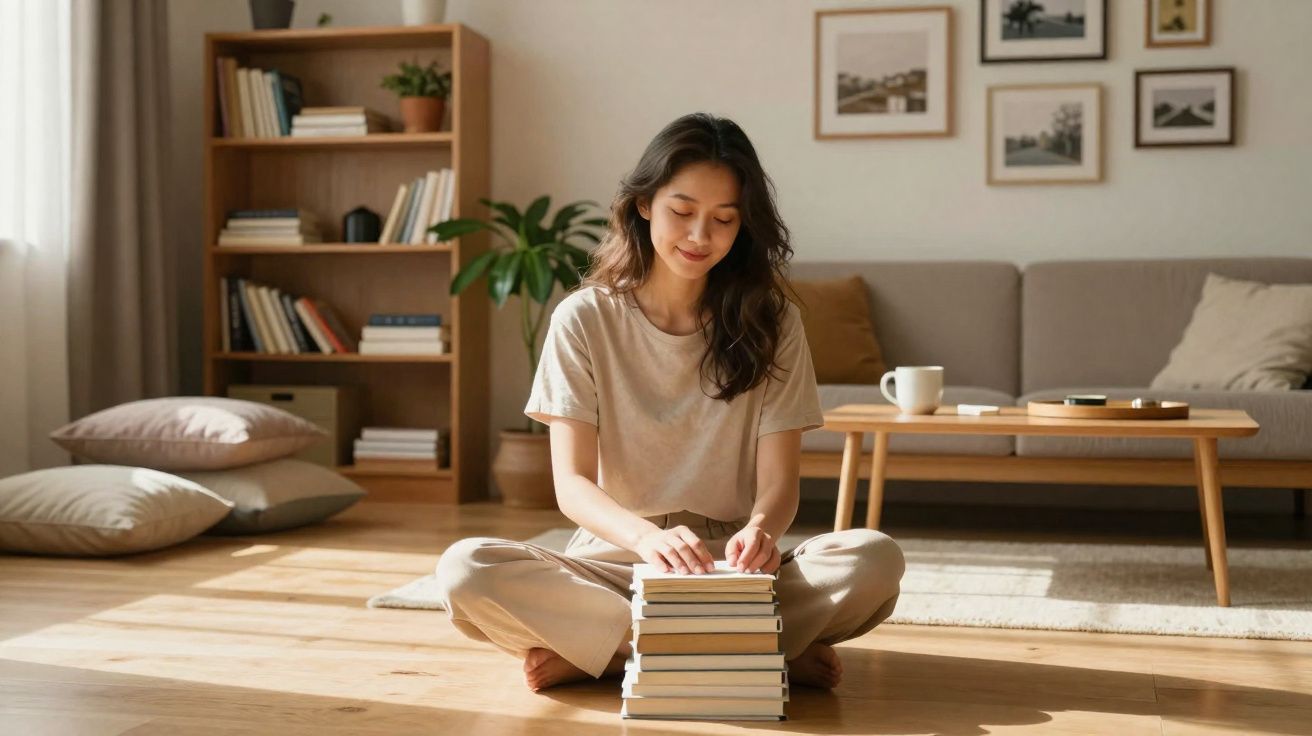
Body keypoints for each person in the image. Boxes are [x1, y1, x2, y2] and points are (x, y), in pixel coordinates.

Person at [434, 112, 904, 692]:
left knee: (873, 559)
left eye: (723, 220)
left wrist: (760, 529)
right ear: (643, 205)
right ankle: (757, 650)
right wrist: (645, 539)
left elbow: (780, 484)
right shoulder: (584, 318)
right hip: (614, 563)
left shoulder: (772, 322)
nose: (699, 237)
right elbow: (572, 484)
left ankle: (610, 653)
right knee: (465, 569)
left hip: (731, 570)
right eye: (682, 212)